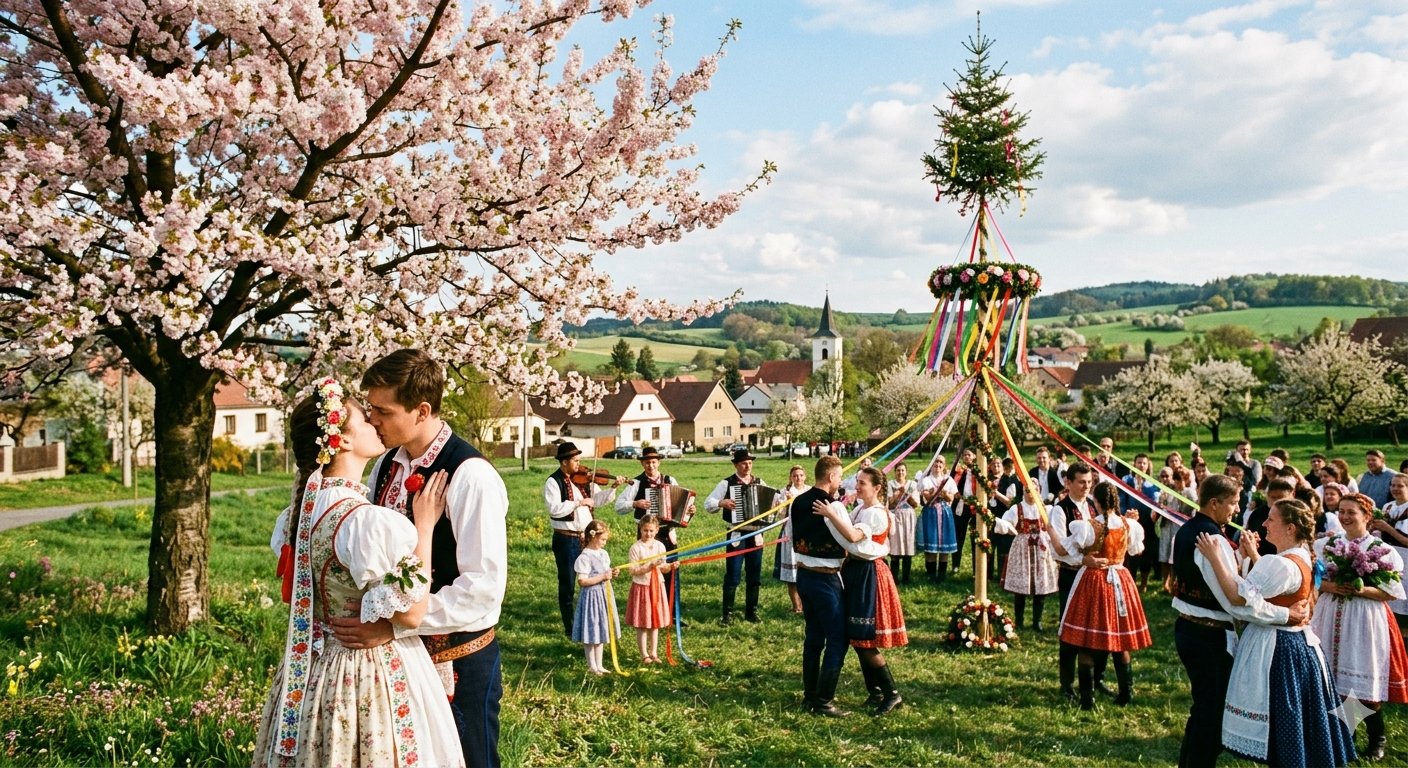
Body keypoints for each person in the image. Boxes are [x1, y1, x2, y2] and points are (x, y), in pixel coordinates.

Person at [254, 380, 464, 768]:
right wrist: (425, 525)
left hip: (312, 672)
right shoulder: (366, 522)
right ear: (343, 441)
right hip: (366, 670)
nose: (375, 423)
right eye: (365, 420)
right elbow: (411, 614)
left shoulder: (299, 514)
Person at [333, 350, 509, 768]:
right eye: (370, 409)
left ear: (422, 410)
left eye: (383, 410)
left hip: (457, 659)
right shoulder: (385, 467)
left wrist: (395, 623)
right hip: (395, 660)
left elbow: (482, 589)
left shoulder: (471, 475)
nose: (372, 419)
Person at [1193, 499, 1357, 768]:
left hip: (1278, 648)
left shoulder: (1279, 563)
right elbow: (1274, 588)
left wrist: (1214, 558)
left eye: (1271, 519)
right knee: (1295, 723)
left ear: (1290, 528)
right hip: (1298, 644)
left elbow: (1238, 598)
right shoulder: (1300, 555)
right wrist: (1251, 557)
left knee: (1281, 723)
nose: (1265, 524)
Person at [1171, 474, 1307, 768]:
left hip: (1190, 628)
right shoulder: (1213, 540)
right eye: (1232, 503)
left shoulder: (1188, 529)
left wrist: (1244, 556)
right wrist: (1287, 615)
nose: (1236, 510)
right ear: (1214, 503)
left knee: (1203, 708)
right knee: (1213, 714)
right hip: (1208, 636)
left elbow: (1232, 584)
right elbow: (1238, 602)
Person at [1311, 493, 1408, 761]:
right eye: (1341, 511)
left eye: (1351, 512)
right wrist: (1331, 586)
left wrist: (1361, 588)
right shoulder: (1327, 545)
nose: (1344, 516)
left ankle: (1378, 736)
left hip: (1364, 618)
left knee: (1361, 675)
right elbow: (1312, 581)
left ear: (1367, 516)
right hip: (1330, 614)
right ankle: (1346, 736)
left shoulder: (1381, 549)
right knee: (1334, 679)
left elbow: (1392, 593)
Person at [813, 466, 907, 715]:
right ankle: (875, 692)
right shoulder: (861, 509)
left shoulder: (876, 513)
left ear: (877, 488)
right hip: (856, 571)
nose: (858, 486)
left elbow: (854, 537)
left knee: (864, 638)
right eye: (858, 482)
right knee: (858, 636)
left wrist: (830, 514)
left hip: (869, 574)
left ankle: (891, 694)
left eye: (863, 483)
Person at [1051, 482, 1151, 709]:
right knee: (1119, 639)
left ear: (1095, 501)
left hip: (1094, 581)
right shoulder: (1129, 525)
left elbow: (1064, 551)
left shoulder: (1087, 527)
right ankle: (1126, 693)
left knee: (1087, 640)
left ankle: (1088, 699)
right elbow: (1137, 550)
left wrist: (1055, 536)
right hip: (1121, 580)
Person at [792, 455, 852, 717]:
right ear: (830, 477)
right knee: (838, 639)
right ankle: (824, 701)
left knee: (814, 637)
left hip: (803, 577)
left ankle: (810, 696)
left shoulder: (798, 501)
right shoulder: (833, 506)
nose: (839, 482)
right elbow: (849, 540)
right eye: (839, 477)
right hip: (826, 579)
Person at [546, 442, 624, 636]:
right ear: (564, 462)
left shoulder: (585, 480)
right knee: (568, 582)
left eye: (579, 460)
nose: (579, 464)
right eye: (575, 460)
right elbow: (554, 509)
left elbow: (598, 500)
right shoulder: (553, 482)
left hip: (587, 539)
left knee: (592, 580)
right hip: (566, 538)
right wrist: (579, 502)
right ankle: (569, 626)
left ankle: (588, 619)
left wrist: (613, 487)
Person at [615, 446, 690, 621]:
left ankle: (672, 615)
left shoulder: (670, 480)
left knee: (671, 572)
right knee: (648, 575)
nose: (651, 465)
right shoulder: (637, 482)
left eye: (654, 462)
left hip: (667, 532)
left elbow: (681, 505)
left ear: (659, 462)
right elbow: (619, 506)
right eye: (647, 462)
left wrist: (689, 510)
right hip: (647, 536)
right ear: (642, 463)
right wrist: (635, 504)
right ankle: (650, 613)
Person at [1047, 462, 1099, 702]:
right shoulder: (1060, 510)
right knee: (1070, 629)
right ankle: (1067, 684)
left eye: (1089, 482)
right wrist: (1082, 558)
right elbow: (1058, 549)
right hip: (1070, 574)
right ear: (1068, 483)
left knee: (1095, 626)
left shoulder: (1091, 506)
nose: (1086, 487)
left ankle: (1094, 679)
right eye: (1081, 482)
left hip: (1092, 574)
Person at [705, 449, 771, 625]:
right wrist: (721, 502)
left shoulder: (759, 482)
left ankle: (752, 611)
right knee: (733, 574)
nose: (747, 466)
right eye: (743, 463)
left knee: (754, 574)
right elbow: (708, 503)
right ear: (735, 465)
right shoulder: (726, 484)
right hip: (736, 533)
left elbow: (772, 502)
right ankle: (727, 613)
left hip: (756, 533)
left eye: (750, 462)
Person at [993, 493, 1057, 632]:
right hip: (1022, 549)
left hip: (1041, 550)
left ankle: (1037, 621)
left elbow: (1054, 526)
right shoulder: (1017, 509)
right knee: (1021, 586)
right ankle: (1019, 620)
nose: (1031, 494)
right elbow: (1007, 525)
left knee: (1041, 585)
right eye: (1027, 490)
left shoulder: (1045, 509)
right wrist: (1006, 526)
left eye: (1034, 490)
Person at [573, 520, 621, 675]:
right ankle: (591, 665)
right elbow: (582, 581)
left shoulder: (603, 554)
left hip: (603, 595)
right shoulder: (585, 557)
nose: (604, 543)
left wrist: (611, 574)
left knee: (601, 629)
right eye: (603, 540)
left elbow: (605, 572)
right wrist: (602, 577)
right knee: (591, 629)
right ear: (593, 537)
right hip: (591, 598)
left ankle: (599, 664)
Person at [626, 514, 675, 664]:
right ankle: (644, 654)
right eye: (645, 530)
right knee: (643, 622)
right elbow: (633, 570)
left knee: (655, 621)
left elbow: (663, 568)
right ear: (640, 529)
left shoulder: (660, 546)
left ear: (657, 530)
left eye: (651, 531)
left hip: (657, 586)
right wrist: (649, 567)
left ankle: (654, 653)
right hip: (642, 587)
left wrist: (671, 567)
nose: (648, 534)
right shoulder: (636, 548)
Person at [1372, 474, 1408, 632]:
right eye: (1393, 485)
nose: (1395, 489)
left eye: (1400, 486)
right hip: (1388, 556)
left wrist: (1388, 529)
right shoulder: (1388, 507)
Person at [1119, 453, 1160, 591]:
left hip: (1147, 522)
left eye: (1144, 463)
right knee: (1130, 552)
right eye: (1139, 463)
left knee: (1145, 553)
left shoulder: (1152, 484)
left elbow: (1155, 502)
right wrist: (1125, 514)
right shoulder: (1127, 480)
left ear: (1148, 466)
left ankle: (1144, 583)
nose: (1141, 465)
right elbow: (1122, 498)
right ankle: (1130, 582)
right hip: (1130, 520)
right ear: (1134, 464)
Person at [916, 454, 959, 582]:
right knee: (931, 542)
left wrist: (944, 494)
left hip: (945, 513)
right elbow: (926, 498)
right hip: (931, 512)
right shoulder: (926, 480)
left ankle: (941, 575)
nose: (938, 465)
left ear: (944, 466)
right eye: (936, 462)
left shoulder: (948, 479)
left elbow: (952, 497)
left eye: (941, 462)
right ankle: (930, 574)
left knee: (944, 543)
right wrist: (933, 494)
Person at [774, 464, 810, 613]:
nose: (798, 478)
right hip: (790, 534)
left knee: (806, 571)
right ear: (791, 477)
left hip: (807, 533)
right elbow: (780, 514)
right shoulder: (785, 491)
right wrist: (782, 504)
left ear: (805, 476)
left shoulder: (810, 491)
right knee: (792, 574)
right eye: (795, 475)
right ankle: (796, 606)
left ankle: (806, 605)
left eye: (801, 475)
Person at [1243, 478, 1296, 557]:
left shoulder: (1298, 515)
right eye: (1273, 497)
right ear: (1267, 496)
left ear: (1292, 494)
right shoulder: (1257, 515)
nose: (1276, 502)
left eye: (1280, 497)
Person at [988, 457, 1022, 580]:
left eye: (998, 464)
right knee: (989, 544)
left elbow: (1009, 503)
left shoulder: (1009, 480)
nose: (996, 466)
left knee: (1003, 546)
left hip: (1004, 516)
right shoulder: (987, 479)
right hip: (990, 516)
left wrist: (996, 494)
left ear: (1003, 467)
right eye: (993, 464)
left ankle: (1002, 575)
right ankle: (988, 574)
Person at [887, 462, 919, 586]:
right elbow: (890, 504)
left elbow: (915, 504)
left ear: (906, 472)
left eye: (902, 470)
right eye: (898, 470)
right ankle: (894, 578)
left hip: (909, 517)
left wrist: (906, 494)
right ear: (895, 472)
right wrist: (898, 494)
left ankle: (906, 577)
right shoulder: (891, 484)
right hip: (896, 516)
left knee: (907, 544)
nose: (900, 473)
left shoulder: (912, 485)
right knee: (895, 545)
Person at [949, 449, 980, 575]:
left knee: (975, 538)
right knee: (959, 536)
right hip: (960, 506)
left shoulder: (978, 470)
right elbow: (950, 482)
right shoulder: (958, 470)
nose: (966, 457)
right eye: (965, 455)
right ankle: (956, 565)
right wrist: (954, 492)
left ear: (974, 456)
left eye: (969, 455)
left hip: (974, 507)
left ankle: (976, 568)